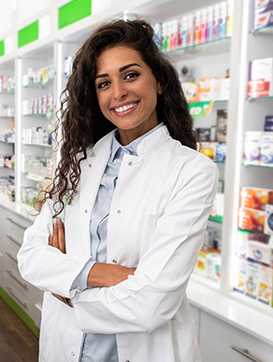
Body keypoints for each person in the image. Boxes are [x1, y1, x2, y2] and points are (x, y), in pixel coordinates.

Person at [17, 19, 218, 362]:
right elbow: (31, 256)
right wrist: (99, 273)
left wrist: (68, 288)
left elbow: (151, 302)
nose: (118, 93)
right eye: (103, 83)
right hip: (67, 346)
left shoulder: (192, 171)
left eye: (130, 75)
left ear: (160, 79)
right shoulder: (78, 162)